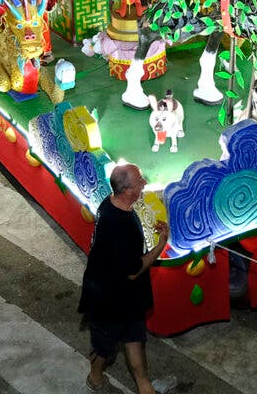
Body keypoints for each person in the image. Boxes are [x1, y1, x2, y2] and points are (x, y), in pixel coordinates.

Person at [79, 164, 175, 394]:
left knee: (134, 337)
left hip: (127, 295)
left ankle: (145, 386)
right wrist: (160, 245)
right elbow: (134, 269)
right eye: (140, 181)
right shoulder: (118, 225)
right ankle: (95, 377)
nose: (144, 183)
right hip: (108, 299)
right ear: (126, 189)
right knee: (105, 347)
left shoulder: (113, 203)